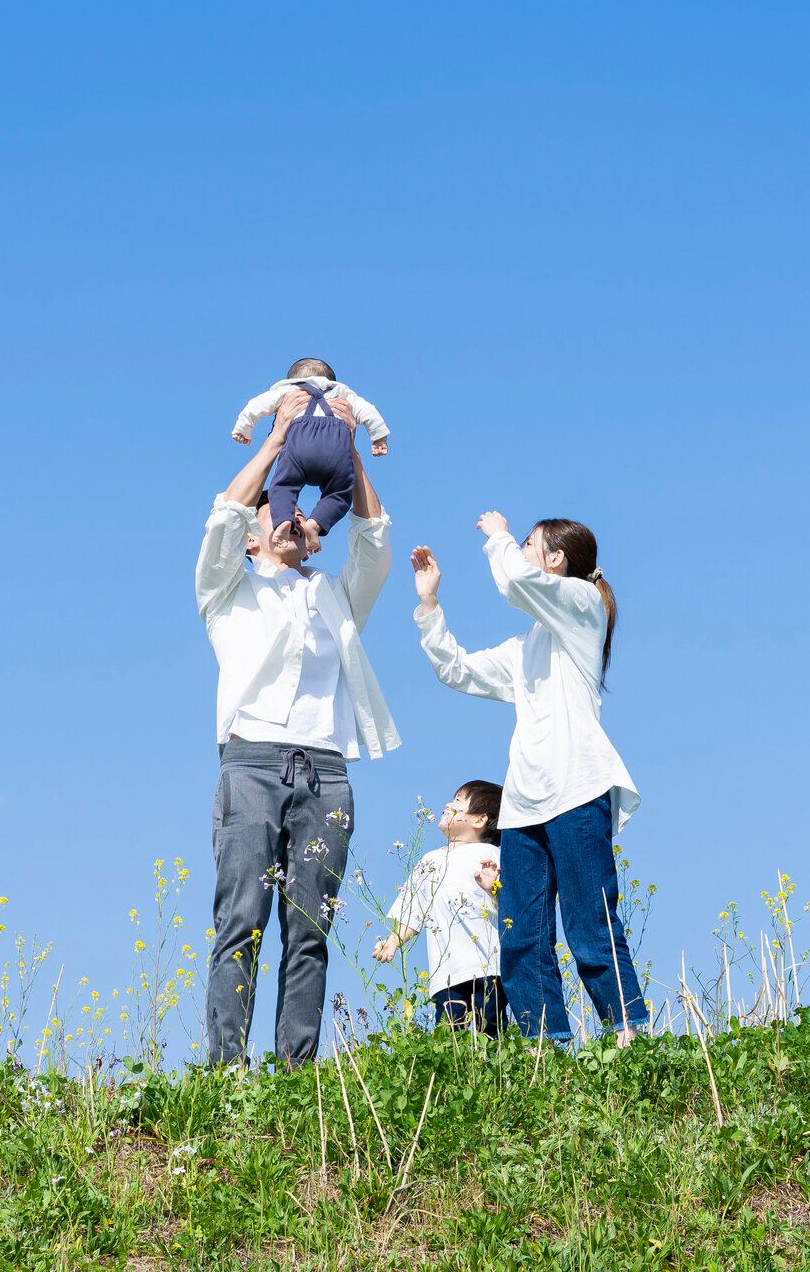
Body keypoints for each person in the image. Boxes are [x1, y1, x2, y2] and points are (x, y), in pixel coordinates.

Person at [196, 389, 399, 1066]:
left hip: (326, 774)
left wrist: (348, 452)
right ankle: (227, 1070)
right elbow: (224, 515)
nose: (288, 520)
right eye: (273, 513)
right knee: (241, 923)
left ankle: (295, 1072)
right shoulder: (229, 591)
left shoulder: (334, 596)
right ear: (254, 535)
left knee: (308, 929)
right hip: (251, 764)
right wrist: (276, 440)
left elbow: (373, 545)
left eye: (298, 516)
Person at [409, 514, 646, 1045]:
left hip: (578, 790)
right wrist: (429, 607)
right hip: (522, 807)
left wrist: (496, 534)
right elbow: (458, 671)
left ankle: (629, 1035)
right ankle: (550, 1047)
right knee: (520, 936)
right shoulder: (526, 647)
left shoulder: (585, 608)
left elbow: (519, 582)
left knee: (589, 925)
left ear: (555, 560)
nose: (519, 550)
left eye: (529, 545)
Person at [373, 781, 506, 1036]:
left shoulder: (492, 854)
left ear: (479, 820)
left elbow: (511, 908)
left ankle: (494, 1074)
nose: (448, 804)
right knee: (448, 1036)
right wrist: (393, 941)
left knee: (490, 1031)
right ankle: (454, 1076)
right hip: (446, 971)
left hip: (488, 966)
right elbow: (413, 910)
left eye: (458, 801)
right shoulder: (430, 860)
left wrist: (493, 888)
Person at [229, 357, 392, 550]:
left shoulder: (289, 391)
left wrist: (244, 428)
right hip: (336, 452)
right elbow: (369, 412)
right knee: (340, 494)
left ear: (292, 379)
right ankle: (316, 524)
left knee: (282, 487)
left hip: (299, 449)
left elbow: (256, 405)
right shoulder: (342, 395)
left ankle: (282, 521)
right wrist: (379, 438)